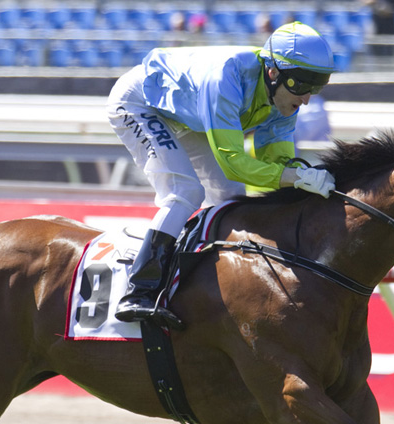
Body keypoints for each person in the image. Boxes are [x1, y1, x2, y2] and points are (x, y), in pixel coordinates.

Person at [106, 21, 336, 328]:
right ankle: (139, 291)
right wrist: (294, 179)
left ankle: (202, 286)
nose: (307, 98)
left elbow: (277, 161)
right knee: (185, 192)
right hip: (139, 102)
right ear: (273, 73)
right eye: (302, 85)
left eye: (316, 87)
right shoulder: (226, 79)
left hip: (187, 115)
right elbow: (232, 161)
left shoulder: (284, 100)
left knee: (230, 200)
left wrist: (302, 174)